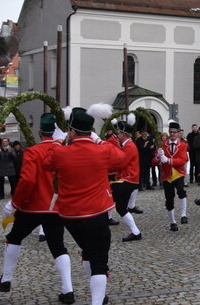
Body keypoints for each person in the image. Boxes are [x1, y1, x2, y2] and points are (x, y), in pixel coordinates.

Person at [44, 105, 128, 305]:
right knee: (99, 260)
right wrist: (98, 140)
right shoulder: (102, 150)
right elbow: (122, 158)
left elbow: (47, 163)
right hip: (97, 212)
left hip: (70, 216)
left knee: (89, 251)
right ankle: (97, 301)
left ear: (71, 131)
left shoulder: (61, 152)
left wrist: (58, 142)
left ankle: (99, 295)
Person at [0, 113, 75, 304]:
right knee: (58, 247)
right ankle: (68, 290)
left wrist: (14, 203)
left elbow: (28, 180)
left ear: (39, 132)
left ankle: (6, 279)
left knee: (14, 238)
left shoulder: (32, 151)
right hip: (56, 206)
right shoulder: (63, 150)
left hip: (32, 206)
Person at [109, 114, 143, 242]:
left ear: (123, 134)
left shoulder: (129, 146)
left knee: (105, 194)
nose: (117, 134)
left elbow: (121, 163)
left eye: (119, 132)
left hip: (127, 179)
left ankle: (97, 225)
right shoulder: (126, 145)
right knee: (121, 208)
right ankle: (136, 232)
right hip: (126, 179)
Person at [154, 121, 189, 231]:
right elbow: (154, 162)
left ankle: (183, 215)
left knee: (181, 190)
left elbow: (183, 160)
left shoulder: (182, 145)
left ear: (178, 133)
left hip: (178, 173)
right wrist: (158, 158)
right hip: (167, 175)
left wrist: (168, 160)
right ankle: (172, 222)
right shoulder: (162, 145)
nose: (172, 134)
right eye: (171, 132)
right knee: (169, 199)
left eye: (174, 132)